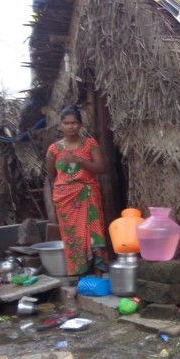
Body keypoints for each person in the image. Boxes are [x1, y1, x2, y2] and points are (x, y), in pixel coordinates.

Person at [45, 105, 109, 276]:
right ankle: (79, 272)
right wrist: (67, 185)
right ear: (60, 126)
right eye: (66, 123)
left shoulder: (90, 144)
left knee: (94, 231)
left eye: (74, 122)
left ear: (80, 125)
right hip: (65, 197)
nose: (70, 126)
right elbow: (52, 174)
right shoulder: (54, 149)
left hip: (87, 193)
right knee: (72, 235)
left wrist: (78, 160)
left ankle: (98, 271)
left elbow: (101, 167)